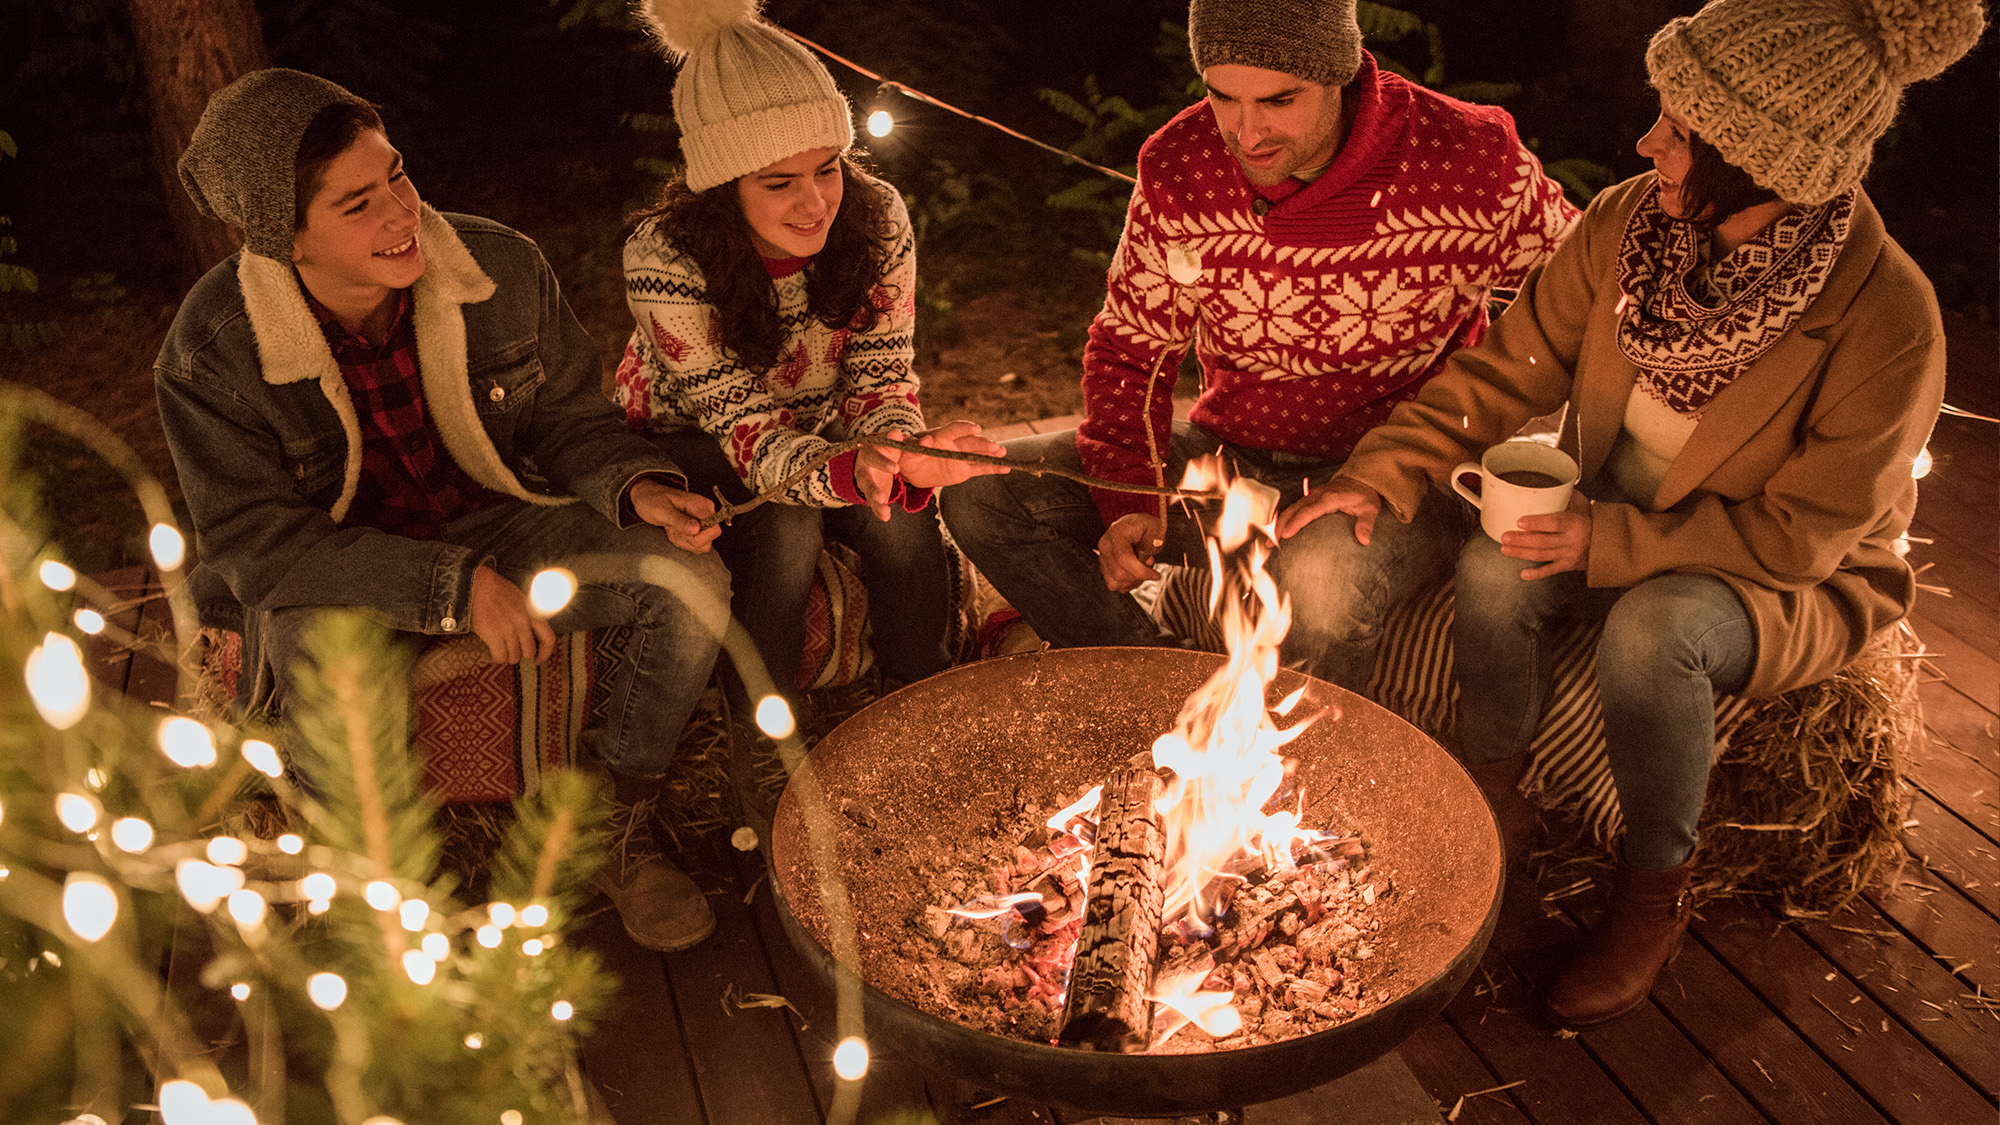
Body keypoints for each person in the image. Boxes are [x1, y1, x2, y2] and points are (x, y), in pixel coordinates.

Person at [1282, 0, 1984, 1028]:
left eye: (1679, 131)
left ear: (1760, 163)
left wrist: (1609, 543)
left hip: (1770, 562)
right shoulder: (1626, 225)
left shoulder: (1886, 318)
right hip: (1620, 501)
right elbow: (1503, 370)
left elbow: (1806, 531)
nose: (1644, 141)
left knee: (1652, 634)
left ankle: (1653, 885)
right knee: (1490, 563)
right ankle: (1493, 794)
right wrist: (1379, 472)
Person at [157, 68, 734, 953]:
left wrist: (637, 485)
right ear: (285, 240)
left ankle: (606, 821)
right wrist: (456, 588)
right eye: (358, 204)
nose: (401, 213)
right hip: (338, 565)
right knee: (321, 669)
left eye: (398, 174)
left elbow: (571, 419)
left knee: (687, 576)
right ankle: (376, 890)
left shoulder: (495, 263)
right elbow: (258, 548)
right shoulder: (210, 354)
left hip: (496, 513)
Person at [941, 0, 1577, 688]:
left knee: (1320, 577)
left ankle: (1316, 764)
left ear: (1338, 76)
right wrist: (1130, 496)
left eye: (1279, 99)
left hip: (1401, 474)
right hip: (1237, 461)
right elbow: (1132, 349)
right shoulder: (1181, 166)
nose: (1246, 132)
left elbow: (1584, 285)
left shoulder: (1465, 156)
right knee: (984, 497)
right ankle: (1158, 694)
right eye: (1222, 96)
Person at [619, 0, 1004, 719]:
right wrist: (849, 467)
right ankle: (765, 734)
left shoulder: (877, 216)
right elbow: (743, 428)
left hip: (817, 426)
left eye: (827, 169)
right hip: (690, 441)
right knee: (786, 525)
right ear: (722, 184)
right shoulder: (664, 256)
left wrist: (897, 448)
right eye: (778, 182)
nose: (814, 203)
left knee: (904, 514)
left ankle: (924, 702)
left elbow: (883, 373)